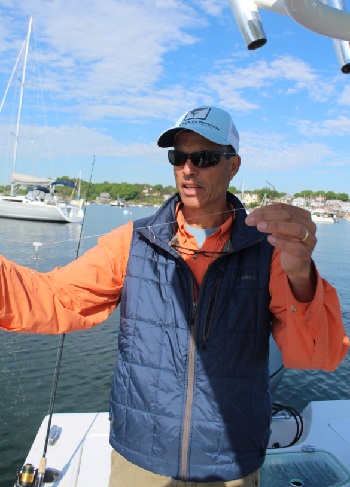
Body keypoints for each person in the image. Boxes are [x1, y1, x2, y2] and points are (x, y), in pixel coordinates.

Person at [0, 105, 348, 487]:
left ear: (234, 166)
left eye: (204, 157)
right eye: (178, 157)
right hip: (140, 459)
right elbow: (55, 298)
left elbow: (317, 353)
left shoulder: (272, 253)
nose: (188, 168)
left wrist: (301, 274)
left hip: (230, 462)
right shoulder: (132, 241)